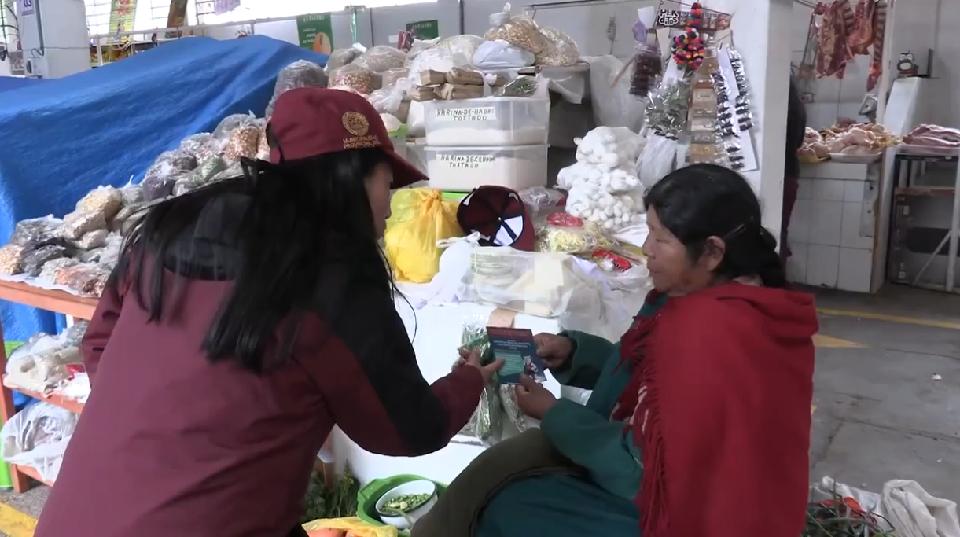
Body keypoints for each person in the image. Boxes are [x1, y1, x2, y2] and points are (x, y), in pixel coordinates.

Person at [35, 88, 501, 537]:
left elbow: (98, 346)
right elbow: (407, 428)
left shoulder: (172, 227)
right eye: (386, 182)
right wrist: (468, 380)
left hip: (74, 517)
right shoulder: (333, 277)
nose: (390, 205)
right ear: (350, 179)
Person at [414, 164, 817, 537]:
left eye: (661, 238)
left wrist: (555, 414)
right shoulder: (689, 298)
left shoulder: (715, 333)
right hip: (660, 480)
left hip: (696, 516)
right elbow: (652, 383)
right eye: (649, 231)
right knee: (507, 474)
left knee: (512, 507)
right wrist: (574, 352)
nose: (647, 249)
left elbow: (643, 470)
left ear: (712, 252)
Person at [782, 77, 808, 260]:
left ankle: (773, 283)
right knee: (780, 231)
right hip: (789, 172)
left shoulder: (781, 105)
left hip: (782, 173)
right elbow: (798, 141)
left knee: (774, 234)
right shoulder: (796, 104)